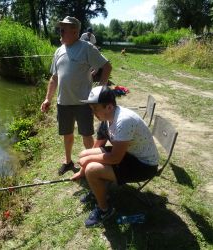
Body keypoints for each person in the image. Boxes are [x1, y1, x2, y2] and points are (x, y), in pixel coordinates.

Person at [71, 85, 159, 227]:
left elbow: (115, 158)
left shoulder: (123, 121)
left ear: (109, 107)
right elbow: (98, 146)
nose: (93, 112)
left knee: (92, 170)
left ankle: (105, 210)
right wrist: (82, 167)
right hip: (129, 156)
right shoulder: (107, 118)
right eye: (91, 108)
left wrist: (88, 163)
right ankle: (98, 191)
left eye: (95, 108)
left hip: (144, 165)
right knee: (83, 155)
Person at [40, 16, 112, 176]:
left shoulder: (86, 48)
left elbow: (106, 67)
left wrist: (101, 88)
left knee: (87, 134)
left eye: (63, 29)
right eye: (60, 28)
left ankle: (92, 165)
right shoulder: (58, 50)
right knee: (67, 134)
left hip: (83, 103)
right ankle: (68, 161)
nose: (60, 31)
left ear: (74, 32)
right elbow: (54, 78)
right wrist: (47, 99)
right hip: (63, 103)